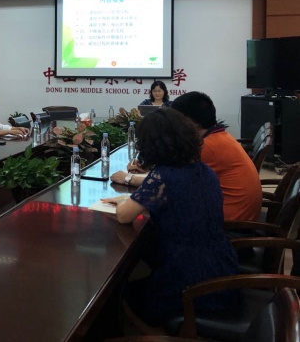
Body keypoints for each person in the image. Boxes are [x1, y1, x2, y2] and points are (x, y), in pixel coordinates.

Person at [101, 108, 238, 327]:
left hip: (187, 280)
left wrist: (124, 201)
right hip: (221, 268)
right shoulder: (204, 170)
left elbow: (124, 216)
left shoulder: (163, 176)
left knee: (120, 292)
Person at [171, 91, 262, 221]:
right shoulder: (219, 136)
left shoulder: (208, 147)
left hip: (230, 224)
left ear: (190, 122)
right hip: (237, 214)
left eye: (174, 120)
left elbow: (172, 181)